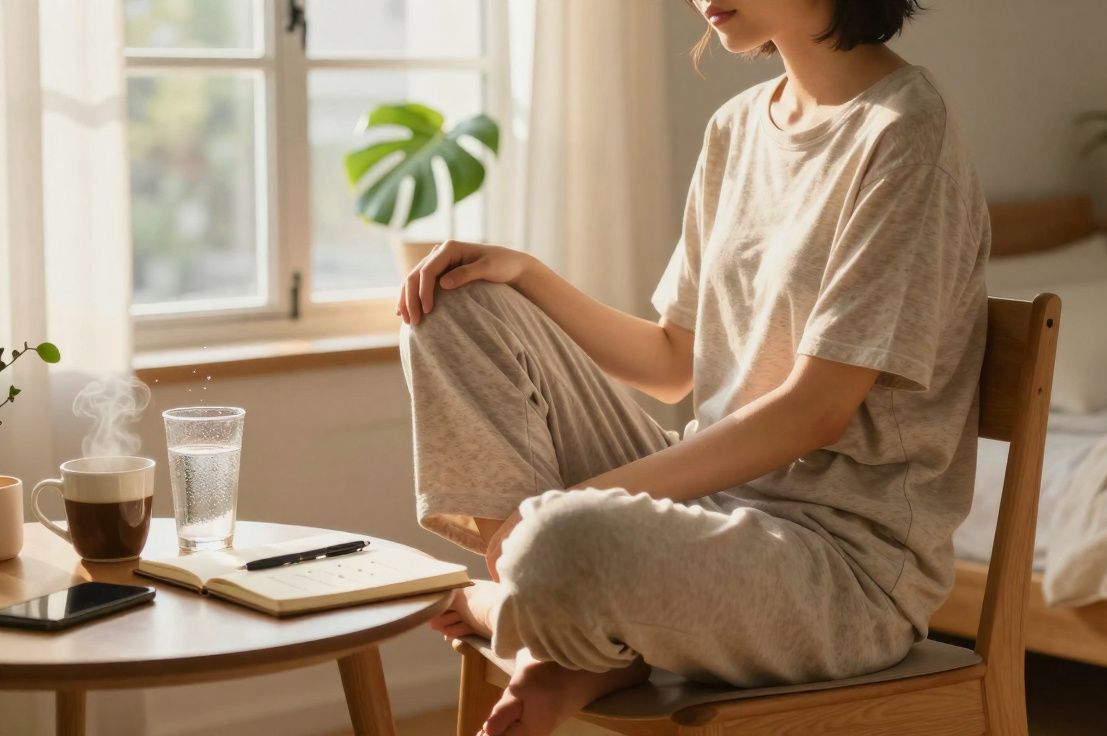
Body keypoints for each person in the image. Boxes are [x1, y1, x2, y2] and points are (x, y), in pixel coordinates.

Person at [397, 1, 989, 734]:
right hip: (707, 513)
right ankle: (565, 627)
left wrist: (562, 509)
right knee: (454, 303)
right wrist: (527, 275)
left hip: (841, 571)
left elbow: (815, 411)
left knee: (561, 539)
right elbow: (674, 361)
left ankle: (542, 616)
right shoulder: (736, 127)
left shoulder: (905, 132)